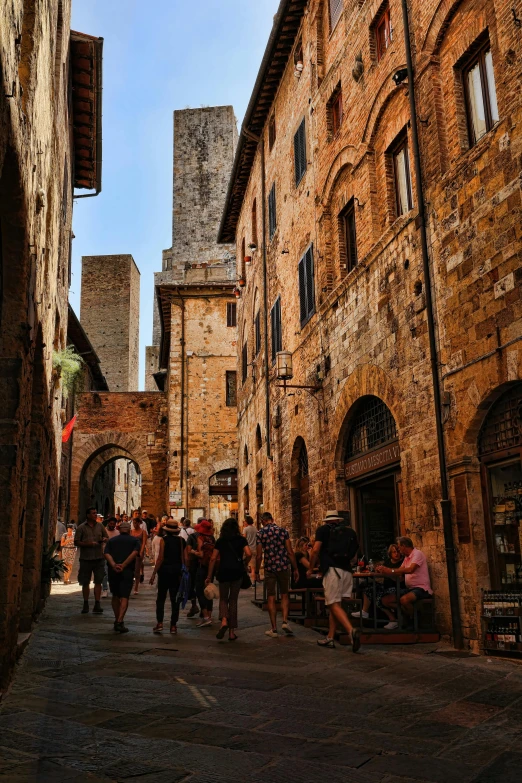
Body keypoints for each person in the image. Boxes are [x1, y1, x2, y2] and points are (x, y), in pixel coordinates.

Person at [308, 510, 360, 651]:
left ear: (327, 520)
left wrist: (310, 568)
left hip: (332, 570)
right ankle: (330, 637)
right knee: (336, 605)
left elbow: (316, 550)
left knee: (332, 604)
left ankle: (351, 631)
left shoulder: (323, 530)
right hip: (347, 571)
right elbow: (354, 555)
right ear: (338, 520)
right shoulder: (350, 532)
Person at [207, 517, 252, 642]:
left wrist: (209, 576)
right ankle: (232, 633)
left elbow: (213, 558)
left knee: (223, 598)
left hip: (223, 572)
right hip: (237, 572)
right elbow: (249, 553)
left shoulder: (221, 540)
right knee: (233, 600)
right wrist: (244, 563)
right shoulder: (241, 540)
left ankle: (224, 620)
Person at [255, 511, 299, 638]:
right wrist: (295, 568)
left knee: (271, 596)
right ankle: (285, 621)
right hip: (284, 566)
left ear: (263, 521)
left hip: (270, 568)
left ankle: (274, 629)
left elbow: (258, 556)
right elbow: (290, 552)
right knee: (285, 594)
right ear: (272, 519)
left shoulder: (261, 533)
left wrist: (257, 571)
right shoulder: (283, 531)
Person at [378, 536, 433, 628]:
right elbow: (399, 572)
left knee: (404, 600)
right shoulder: (406, 558)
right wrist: (384, 571)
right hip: (410, 588)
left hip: (421, 588)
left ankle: (414, 621)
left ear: (403, 546)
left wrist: (390, 571)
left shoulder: (417, 554)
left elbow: (410, 569)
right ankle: (410, 614)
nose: (399, 551)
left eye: (399, 548)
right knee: (385, 600)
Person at [351, 543, 404, 625]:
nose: (396, 554)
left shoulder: (402, 563)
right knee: (368, 588)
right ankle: (365, 611)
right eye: (394, 552)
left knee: (379, 599)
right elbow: (381, 573)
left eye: (397, 551)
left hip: (396, 587)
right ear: (390, 553)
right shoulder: (387, 562)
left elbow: (399, 577)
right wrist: (376, 570)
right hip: (386, 586)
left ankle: (393, 620)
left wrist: (388, 572)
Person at [150, 518, 186, 634]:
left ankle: (160, 623)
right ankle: (173, 626)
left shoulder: (163, 540)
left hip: (164, 572)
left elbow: (160, 558)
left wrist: (154, 573)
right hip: (176, 572)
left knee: (161, 598)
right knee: (174, 599)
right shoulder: (181, 541)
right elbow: (184, 559)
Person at [104, 519, 140, 634]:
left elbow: (106, 553)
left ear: (119, 530)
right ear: (129, 530)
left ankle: (116, 619)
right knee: (124, 596)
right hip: (127, 571)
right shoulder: (134, 541)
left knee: (115, 595)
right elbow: (134, 553)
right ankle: (120, 621)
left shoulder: (112, 541)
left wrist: (114, 565)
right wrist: (123, 565)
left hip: (113, 571)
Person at [74, 507, 108, 615]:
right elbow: (76, 542)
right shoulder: (81, 528)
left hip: (98, 558)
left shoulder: (100, 526)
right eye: (93, 513)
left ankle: (97, 604)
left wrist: (104, 539)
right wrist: (88, 544)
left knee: (98, 581)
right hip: (86, 559)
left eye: (96, 513)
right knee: (85, 582)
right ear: (88, 515)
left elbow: (106, 537)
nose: (95, 515)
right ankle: (85, 603)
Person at [193, 519, 215, 627]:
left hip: (202, 567)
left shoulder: (200, 538)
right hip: (211, 568)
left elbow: (201, 554)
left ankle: (206, 616)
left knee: (199, 591)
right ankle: (209, 616)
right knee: (209, 591)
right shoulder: (212, 538)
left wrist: (193, 552)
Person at [185, 521, 201, 618]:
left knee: (191, 585)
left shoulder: (191, 537)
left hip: (194, 564)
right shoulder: (210, 537)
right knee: (203, 586)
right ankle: (206, 610)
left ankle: (194, 605)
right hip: (204, 565)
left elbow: (188, 551)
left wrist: (187, 564)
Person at [130, 511, 148, 595]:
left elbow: (144, 542)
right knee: (130, 569)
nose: (134, 524)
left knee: (137, 570)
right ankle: (130, 584)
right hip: (131, 551)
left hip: (138, 551)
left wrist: (141, 551)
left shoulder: (143, 532)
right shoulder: (131, 532)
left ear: (139, 523)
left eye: (135, 523)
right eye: (133, 522)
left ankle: (136, 586)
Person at [242, 516, 258, 582]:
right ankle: (253, 582)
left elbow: (243, 539)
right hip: (254, 549)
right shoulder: (255, 529)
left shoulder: (245, 529)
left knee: (244, 564)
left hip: (247, 549)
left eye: (245, 521)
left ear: (247, 521)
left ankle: (246, 580)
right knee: (253, 568)